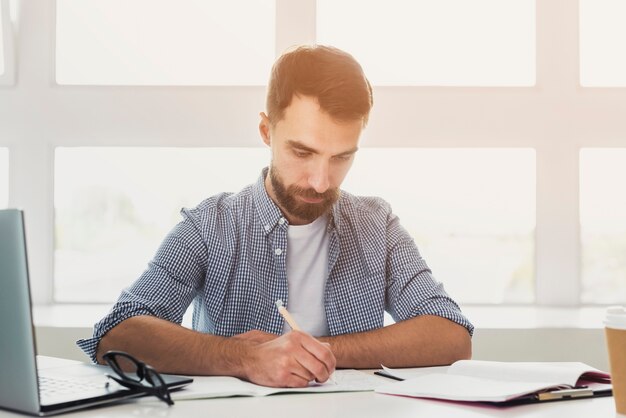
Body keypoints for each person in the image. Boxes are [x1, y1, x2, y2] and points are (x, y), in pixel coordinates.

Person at [78, 45, 473, 388]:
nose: (320, 182)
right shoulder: (210, 225)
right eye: (302, 152)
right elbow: (118, 332)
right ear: (267, 131)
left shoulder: (377, 224)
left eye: (341, 157)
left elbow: (451, 334)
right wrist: (246, 357)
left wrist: (315, 353)